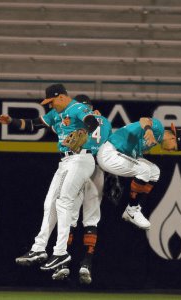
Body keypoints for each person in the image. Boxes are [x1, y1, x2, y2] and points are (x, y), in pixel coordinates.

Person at [0, 84, 99, 270]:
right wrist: (11, 120)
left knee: (64, 202)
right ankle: (39, 248)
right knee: (49, 203)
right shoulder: (54, 115)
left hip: (81, 158)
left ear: (61, 97)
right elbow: (33, 124)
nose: (50, 106)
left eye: (51, 102)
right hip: (66, 161)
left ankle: (60, 253)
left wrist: (82, 132)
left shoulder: (76, 108)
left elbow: (92, 121)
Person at [51, 94, 112, 284]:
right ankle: (87, 263)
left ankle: (62, 265)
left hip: (77, 166)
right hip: (97, 169)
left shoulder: (69, 118)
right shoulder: (105, 123)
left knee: (69, 218)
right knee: (91, 219)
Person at [96, 118, 181, 230]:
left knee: (155, 172)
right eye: (173, 148)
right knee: (144, 169)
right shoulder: (158, 128)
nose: (170, 151)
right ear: (173, 138)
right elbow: (144, 120)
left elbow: (133, 151)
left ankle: (132, 208)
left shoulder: (154, 141)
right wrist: (149, 130)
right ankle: (132, 209)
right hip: (109, 153)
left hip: (118, 155)